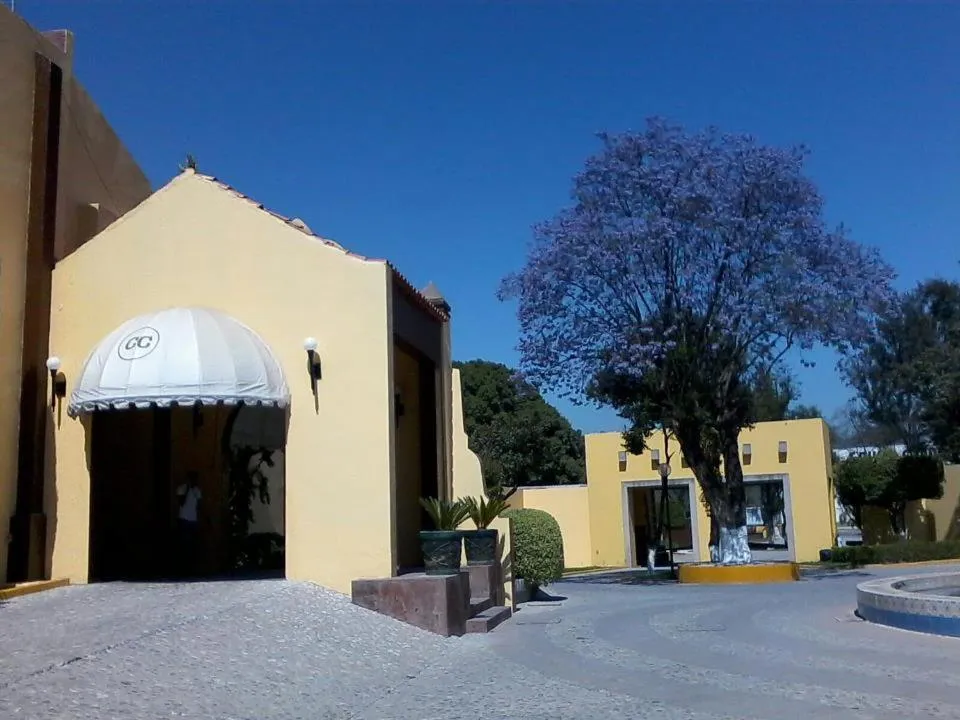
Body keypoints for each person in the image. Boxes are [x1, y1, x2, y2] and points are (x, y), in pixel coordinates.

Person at [176, 472, 202, 576]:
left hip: (193, 520)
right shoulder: (182, 488)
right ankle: (183, 569)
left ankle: (192, 569)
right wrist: (187, 490)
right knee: (184, 544)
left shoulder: (197, 491)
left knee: (192, 545)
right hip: (183, 519)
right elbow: (181, 502)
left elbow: (199, 505)